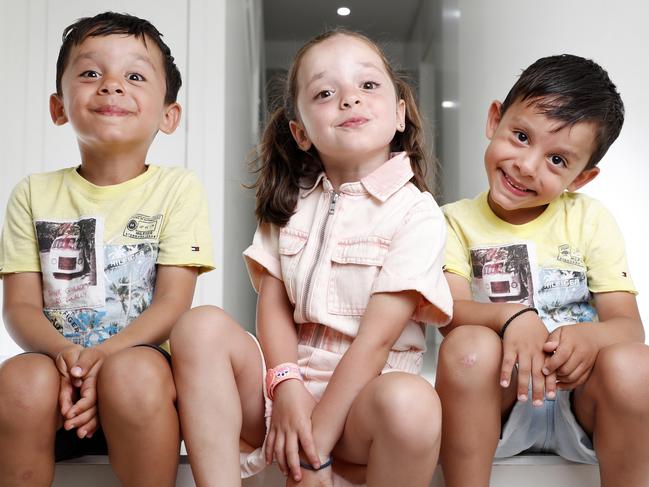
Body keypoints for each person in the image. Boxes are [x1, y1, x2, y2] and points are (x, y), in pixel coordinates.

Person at [170, 29, 452, 487]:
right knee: (198, 325)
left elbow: (375, 342)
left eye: (368, 85)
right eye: (325, 92)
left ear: (400, 114)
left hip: (365, 398)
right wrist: (285, 387)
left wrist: (314, 452)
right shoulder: (289, 203)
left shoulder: (417, 213)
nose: (349, 100)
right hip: (288, 387)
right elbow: (275, 306)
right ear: (300, 132)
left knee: (413, 402)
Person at [0, 12, 214, 487]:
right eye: (91, 73)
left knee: (132, 375)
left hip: (141, 376)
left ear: (168, 114)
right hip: (58, 376)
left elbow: (174, 303)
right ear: (59, 107)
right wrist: (70, 356)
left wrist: (107, 357)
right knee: (18, 381)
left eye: (134, 76)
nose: (111, 86)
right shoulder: (33, 193)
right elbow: (19, 306)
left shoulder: (177, 188)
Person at [437, 54, 649, 487]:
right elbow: (448, 312)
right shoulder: (452, 221)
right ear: (494, 119)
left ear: (582, 177)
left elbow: (629, 329)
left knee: (637, 366)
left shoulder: (590, 219)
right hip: (497, 399)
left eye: (557, 160)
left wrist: (590, 338)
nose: (527, 165)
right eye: (520, 136)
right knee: (467, 347)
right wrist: (510, 316)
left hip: (580, 400)